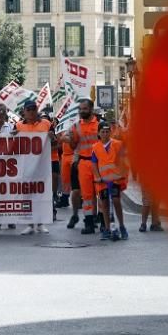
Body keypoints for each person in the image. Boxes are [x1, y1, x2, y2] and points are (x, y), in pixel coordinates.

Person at [15, 101, 51, 235]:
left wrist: (51, 139)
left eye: (33, 109)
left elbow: (54, 143)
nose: (31, 112)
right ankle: (30, 223)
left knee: (41, 194)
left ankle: (41, 223)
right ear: (24, 111)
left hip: (42, 166)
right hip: (25, 166)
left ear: (37, 110)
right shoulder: (18, 126)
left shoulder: (46, 124)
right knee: (27, 195)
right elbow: (11, 144)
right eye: (28, 109)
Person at [68, 98, 101, 235]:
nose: (82, 111)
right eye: (80, 109)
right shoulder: (76, 126)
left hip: (99, 163)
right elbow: (73, 145)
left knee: (101, 193)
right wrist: (70, 138)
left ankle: (103, 222)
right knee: (87, 195)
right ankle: (89, 223)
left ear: (91, 110)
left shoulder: (100, 125)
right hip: (83, 162)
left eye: (85, 109)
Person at [92, 122, 128, 240]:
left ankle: (122, 226)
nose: (105, 134)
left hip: (115, 179)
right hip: (103, 181)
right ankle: (107, 228)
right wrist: (97, 177)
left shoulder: (117, 144)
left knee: (116, 201)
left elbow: (123, 160)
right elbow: (94, 164)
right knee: (105, 203)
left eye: (107, 131)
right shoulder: (95, 147)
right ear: (98, 133)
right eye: (103, 131)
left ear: (110, 132)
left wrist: (122, 174)